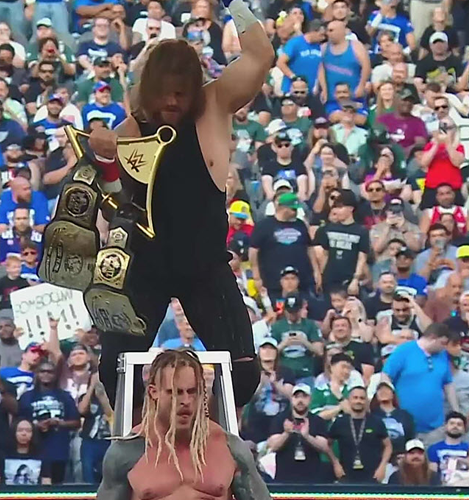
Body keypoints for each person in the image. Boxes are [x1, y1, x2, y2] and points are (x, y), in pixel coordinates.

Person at [83, 0, 275, 414]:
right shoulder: (128, 131)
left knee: (243, 370)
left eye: (181, 93)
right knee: (115, 372)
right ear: (149, 89)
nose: (172, 101)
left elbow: (260, 56)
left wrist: (233, 3)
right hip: (145, 266)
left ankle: (202, 432)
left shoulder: (214, 105)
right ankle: (148, 436)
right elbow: (112, 207)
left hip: (204, 265)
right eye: (165, 93)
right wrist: (103, 160)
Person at [97, 349, 270, 499]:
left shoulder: (230, 448)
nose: (185, 401)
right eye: (175, 392)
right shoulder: (126, 453)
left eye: (192, 391)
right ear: (154, 392)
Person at [382, 323, 460, 443]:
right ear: (432, 338)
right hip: (404, 424)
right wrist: (389, 406)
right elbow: (386, 376)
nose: (444, 347)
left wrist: (456, 411)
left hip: (436, 426)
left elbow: (448, 384)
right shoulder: (404, 350)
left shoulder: (442, 355)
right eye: (443, 343)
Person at [328, 385, 392, 484]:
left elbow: (388, 446)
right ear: (349, 400)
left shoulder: (376, 422)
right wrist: (335, 463)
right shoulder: (340, 422)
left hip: (373, 476)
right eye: (355, 398)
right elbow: (328, 444)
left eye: (362, 398)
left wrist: (382, 466)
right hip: (345, 475)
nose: (358, 401)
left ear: (367, 401)